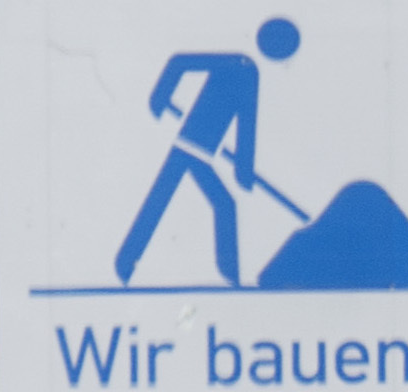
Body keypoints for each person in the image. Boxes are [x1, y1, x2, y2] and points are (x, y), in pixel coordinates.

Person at [117, 18, 305, 282]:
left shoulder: (250, 72)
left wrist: (244, 170)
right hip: (188, 145)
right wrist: (160, 98)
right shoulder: (237, 63)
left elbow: (245, 126)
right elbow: (179, 62)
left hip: (201, 152)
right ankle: (127, 264)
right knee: (200, 202)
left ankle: (127, 263)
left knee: (178, 200)